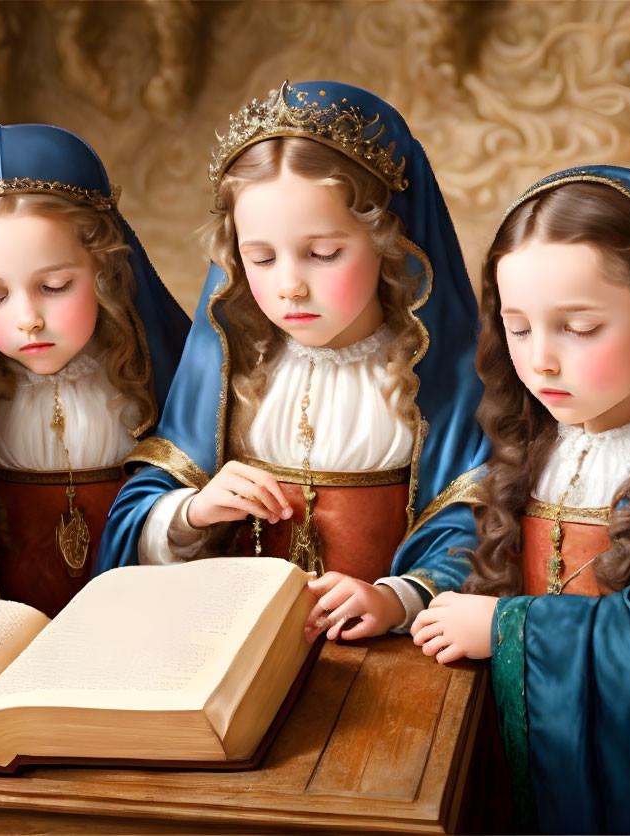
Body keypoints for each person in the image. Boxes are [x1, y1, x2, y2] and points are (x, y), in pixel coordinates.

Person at [98, 81, 488, 642]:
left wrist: (396, 597)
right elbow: (143, 507)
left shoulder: (436, 374)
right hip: (234, 647)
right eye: (260, 257)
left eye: (323, 254)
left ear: (388, 241)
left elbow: (474, 522)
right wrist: (192, 512)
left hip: (387, 654)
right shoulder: (229, 367)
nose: (289, 286)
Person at [411, 166, 630, 833]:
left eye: (577, 328)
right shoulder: (527, 443)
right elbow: (459, 548)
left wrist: (506, 629)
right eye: (518, 328)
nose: (542, 360)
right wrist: (401, 593)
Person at [0, 124, 189, 616]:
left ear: (104, 270)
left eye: (56, 285)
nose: (28, 319)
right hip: (2, 635)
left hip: (141, 621)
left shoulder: (163, 379)